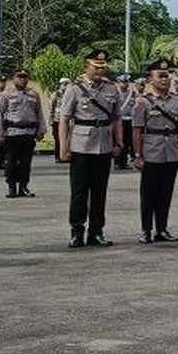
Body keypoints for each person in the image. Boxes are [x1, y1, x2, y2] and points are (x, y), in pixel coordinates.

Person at [58, 49, 123, 248]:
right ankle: (77, 231)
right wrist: (63, 146)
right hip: (81, 145)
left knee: (99, 192)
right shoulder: (74, 89)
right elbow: (64, 119)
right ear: (86, 67)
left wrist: (119, 142)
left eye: (102, 68)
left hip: (103, 145)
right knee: (79, 191)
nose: (99, 71)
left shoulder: (112, 88)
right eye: (96, 67)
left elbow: (117, 117)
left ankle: (96, 231)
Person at [132, 58, 178, 244]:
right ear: (151, 79)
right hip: (151, 151)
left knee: (166, 193)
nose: (165, 79)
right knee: (148, 193)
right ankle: (146, 230)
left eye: (167, 76)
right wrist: (138, 155)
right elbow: (137, 130)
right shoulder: (143, 102)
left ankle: (162, 229)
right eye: (160, 76)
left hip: (170, 151)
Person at [0, 68, 47, 198]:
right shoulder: (6, 94)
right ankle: (12, 187)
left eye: (25, 77)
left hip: (28, 133)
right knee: (11, 162)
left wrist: (41, 130)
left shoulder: (33, 94)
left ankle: (23, 186)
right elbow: (0, 114)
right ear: (14, 78)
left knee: (25, 162)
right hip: (12, 133)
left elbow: (39, 113)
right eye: (20, 76)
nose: (23, 79)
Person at [116, 74, 137, 170]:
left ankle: (124, 162)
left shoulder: (132, 94)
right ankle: (117, 161)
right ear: (119, 83)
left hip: (129, 120)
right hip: (119, 120)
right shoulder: (115, 94)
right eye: (122, 82)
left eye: (126, 82)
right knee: (118, 141)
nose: (124, 84)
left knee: (128, 142)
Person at [51, 78, 71, 163]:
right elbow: (51, 106)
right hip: (57, 119)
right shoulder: (55, 95)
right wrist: (51, 119)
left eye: (66, 84)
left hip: (68, 120)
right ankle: (57, 156)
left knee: (68, 139)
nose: (65, 86)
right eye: (63, 84)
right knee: (57, 139)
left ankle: (66, 155)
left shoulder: (70, 94)